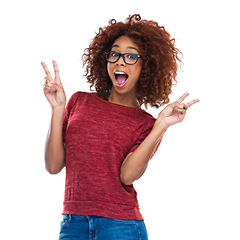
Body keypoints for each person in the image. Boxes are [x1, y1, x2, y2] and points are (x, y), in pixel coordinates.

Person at [41, 14, 199, 240]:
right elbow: (54, 165)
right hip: (72, 223)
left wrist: (161, 125)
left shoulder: (146, 124)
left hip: (120, 226)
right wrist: (57, 109)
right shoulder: (78, 102)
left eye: (131, 56)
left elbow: (127, 176)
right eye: (114, 53)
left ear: (147, 66)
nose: (120, 61)